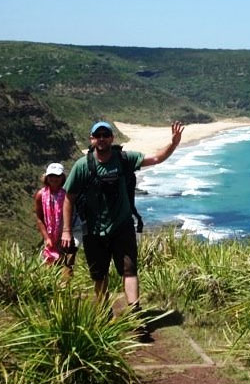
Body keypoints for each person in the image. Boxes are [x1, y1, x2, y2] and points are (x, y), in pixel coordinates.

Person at [61, 121, 184, 310]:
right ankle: (104, 311)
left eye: (105, 135)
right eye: (98, 135)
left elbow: (157, 159)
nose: (101, 139)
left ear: (111, 138)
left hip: (122, 226)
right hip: (93, 230)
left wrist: (174, 144)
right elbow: (69, 198)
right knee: (99, 275)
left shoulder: (124, 159)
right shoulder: (82, 166)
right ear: (92, 139)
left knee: (129, 270)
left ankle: (135, 313)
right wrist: (67, 231)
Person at [34, 163, 76, 276]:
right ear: (47, 177)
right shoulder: (40, 195)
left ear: (62, 177)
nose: (54, 178)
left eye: (57, 176)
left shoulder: (67, 193)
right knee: (50, 266)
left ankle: (67, 289)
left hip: (66, 236)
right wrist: (46, 238)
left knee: (67, 266)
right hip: (50, 237)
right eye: (51, 175)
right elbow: (39, 218)